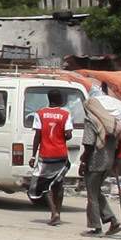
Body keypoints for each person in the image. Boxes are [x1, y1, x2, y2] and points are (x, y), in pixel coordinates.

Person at [31, 94, 75, 226]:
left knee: (45, 185)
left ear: (48, 99)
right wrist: (62, 136)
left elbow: (37, 136)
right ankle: (58, 214)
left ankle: (53, 212)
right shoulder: (65, 114)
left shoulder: (40, 113)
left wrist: (33, 155)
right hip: (61, 155)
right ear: (60, 100)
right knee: (58, 184)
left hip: (46, 155)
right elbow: (68, 135)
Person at [81, 109, 121, 238]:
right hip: (108, 162)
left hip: (95, 162)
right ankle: (112, 220)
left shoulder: (91, 121)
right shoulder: (112, 122)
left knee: (92, 195)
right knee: (97, 192)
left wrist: (84, 162)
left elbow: (88, 145)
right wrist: (115, 158)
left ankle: (96, 227)